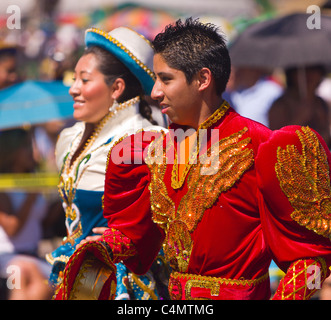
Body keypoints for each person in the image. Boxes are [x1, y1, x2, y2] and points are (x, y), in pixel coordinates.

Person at [54, 18, 331, 300]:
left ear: (203, 79)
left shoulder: (264, 147)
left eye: (166, 79)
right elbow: (135, 235)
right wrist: (104, 249)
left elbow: (311, 260)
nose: (155, 92)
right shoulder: (147, 151)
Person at [46, 26, 166, 299]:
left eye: (84, 80)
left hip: (120, 284)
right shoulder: (70, 138)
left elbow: (171, 219)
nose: (73, 89)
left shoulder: (148, 140)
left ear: (116, 88)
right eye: (73, 78)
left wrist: (127, 240)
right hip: (77, 279)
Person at [0, 129, 53, 300]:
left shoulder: (34, 179)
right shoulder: (4, 186)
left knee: (47, 282)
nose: (35, 154)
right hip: (7, 255)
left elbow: (44, 223)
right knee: (21, 272)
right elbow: (12, 229)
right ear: (13, 152)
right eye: (28, 148)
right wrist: (31, 196)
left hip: (31, 254)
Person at [268, 65, 331, 148]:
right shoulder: (281, 105)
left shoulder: (321, 103)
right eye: (304, 71)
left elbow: (324, 140)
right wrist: (299, 118)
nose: (309, 75)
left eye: (313, 70)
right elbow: (276, 140)